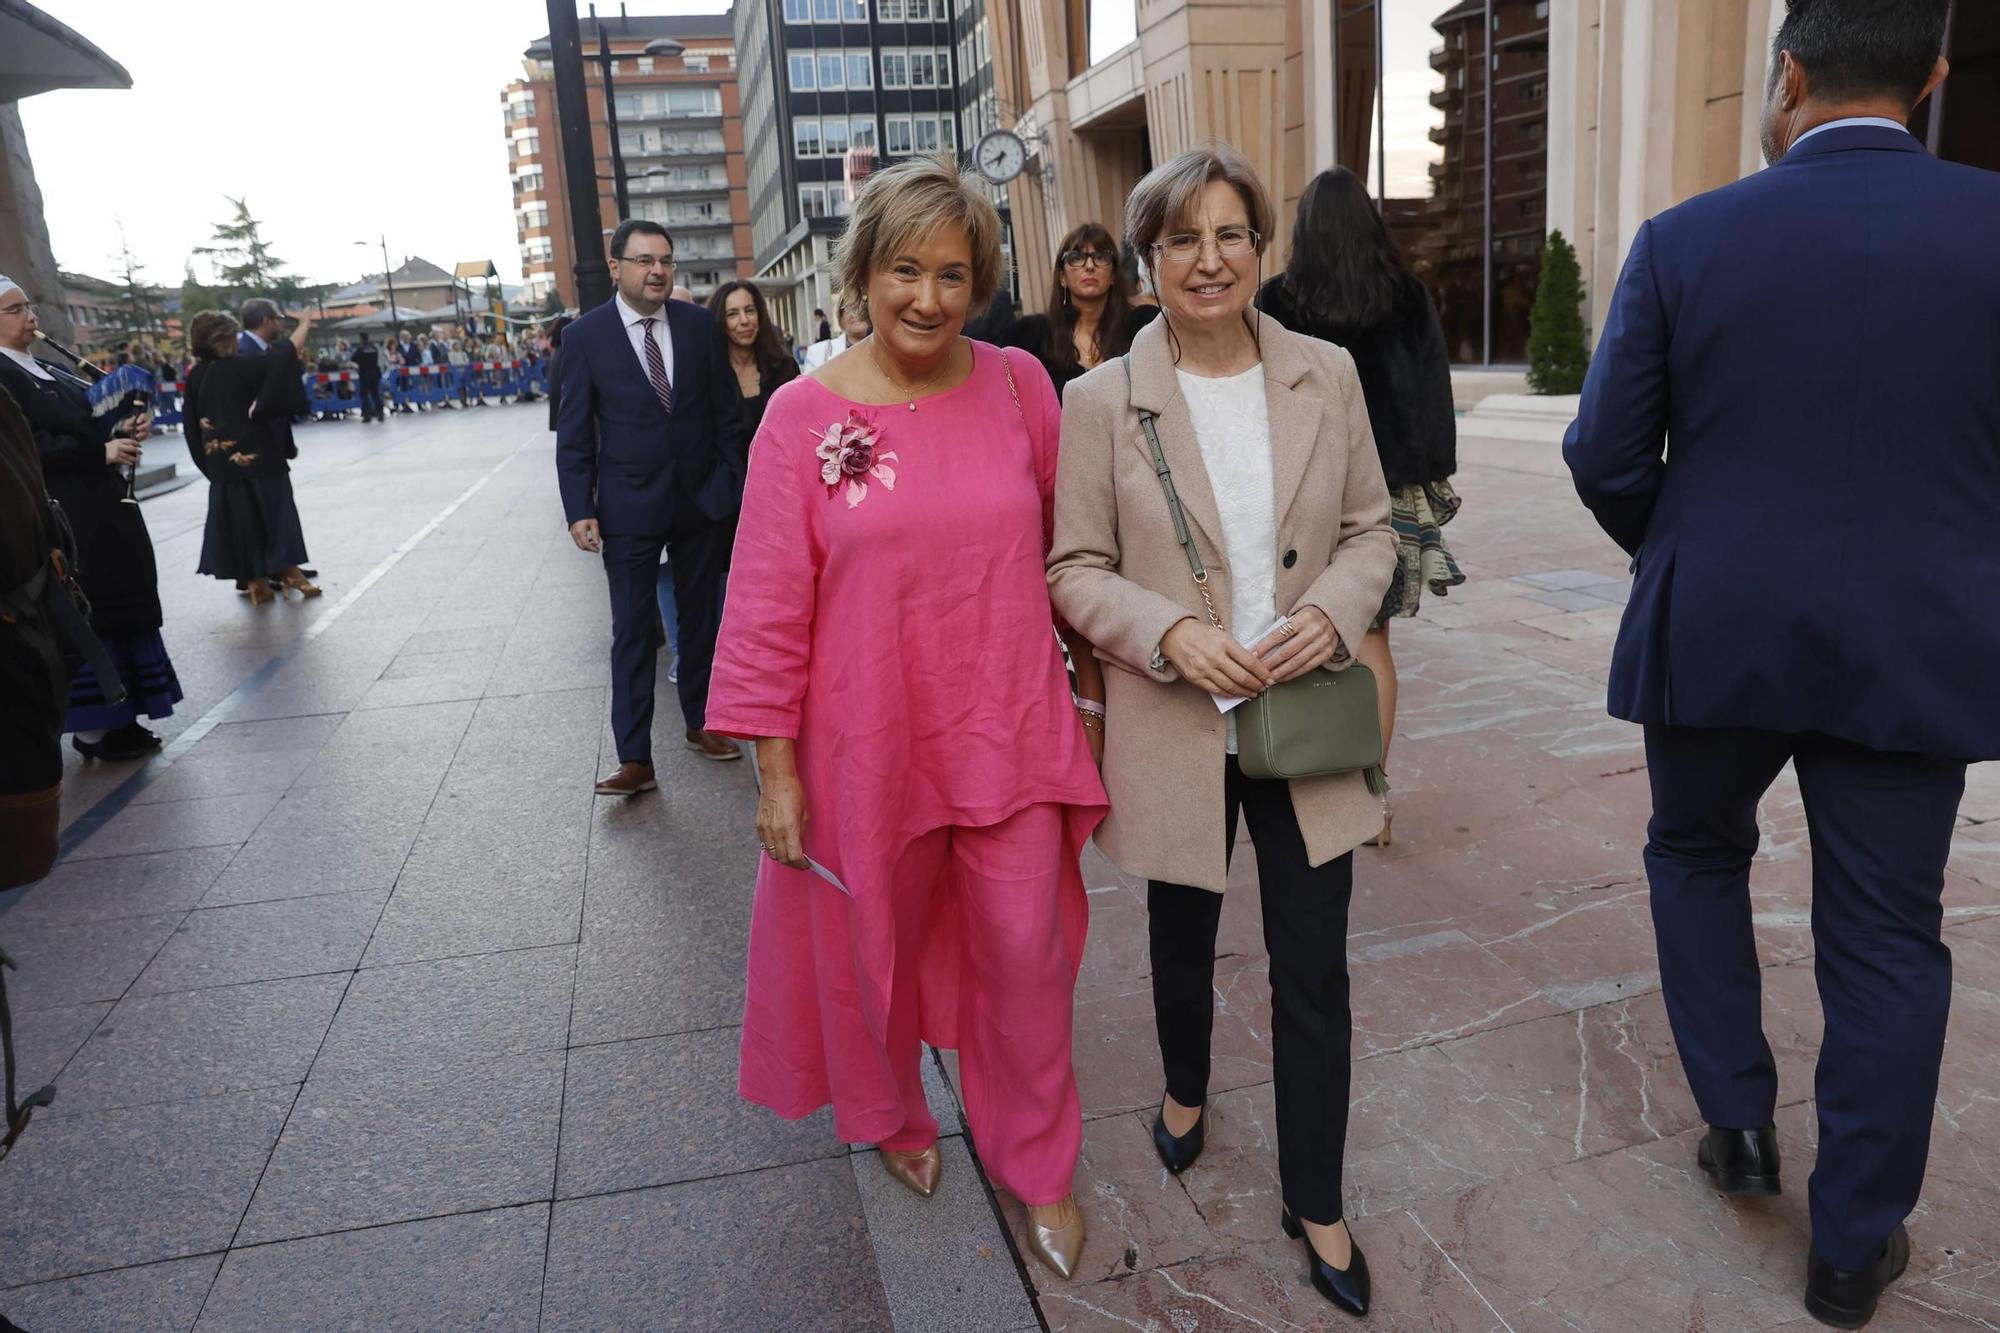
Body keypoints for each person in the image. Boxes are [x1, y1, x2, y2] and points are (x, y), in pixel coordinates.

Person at [1563, 5, 1989, 1327]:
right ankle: (1854, 1246)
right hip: (1917, 642)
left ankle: (1738, 1124)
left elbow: (1603, 453)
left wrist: (1694, 550)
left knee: (1695, 855)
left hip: (1717, 632)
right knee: (1886, 933)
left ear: (1789, 75)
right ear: (1932, 77)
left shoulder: (1686, 239)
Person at [706, 151, 1106, 1280]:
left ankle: (1040, 1161)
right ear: (861, 273)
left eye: (950, 272)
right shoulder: (798, 416)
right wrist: (773, 772)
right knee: (864, 949)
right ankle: (888, 1116)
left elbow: (1067, 555)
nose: (925, 298)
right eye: (902, 271)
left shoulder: (1024, 388)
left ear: (978, 280)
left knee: (1027, 958)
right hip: (861, 745)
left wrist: (1095, 691)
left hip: (1010, 729)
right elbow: (767, 607)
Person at [1047, 144, 1397, 1317]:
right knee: (1179, 935)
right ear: (1146, 259)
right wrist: (1163, 634)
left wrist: (1330, 613)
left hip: (1299, 714)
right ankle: (1186, 1093)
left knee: (1314, 967)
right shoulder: (1097, 400)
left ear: (1261, 248)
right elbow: (1074, 566)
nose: (1210, 259)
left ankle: (1318, 1200)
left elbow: (1371, 530)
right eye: (1183, 238)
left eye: (1232, 234)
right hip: (1179, 717)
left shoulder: (1325, 374)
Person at [1256, 165, 1463, 847]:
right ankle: (1371, 792)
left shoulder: (1278, 302)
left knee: (1298, 623)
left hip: (1300, 488)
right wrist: (1430, 473)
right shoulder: (1406, 296)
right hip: (1390, 487)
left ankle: (1305, 774)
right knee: (1372, 638)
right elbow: (1433, 393)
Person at [555, 219, 747, 795]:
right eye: (643, 260)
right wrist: (578, 506)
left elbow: (728, 415)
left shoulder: (697, 326)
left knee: (702, 622)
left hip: (699, 501)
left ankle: (702, 722)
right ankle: (634, 756)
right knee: (634, 630)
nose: (658, 270)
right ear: (616, 267)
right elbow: (574, 432)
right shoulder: (585, 337)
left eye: (665, 260)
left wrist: (727, 485)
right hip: (628, 505)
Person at [0, 276, 186, 761]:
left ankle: (127, 714)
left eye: (28, 305)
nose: (30, 316)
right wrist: (97, 451)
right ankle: (94, 727)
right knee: (91, 608)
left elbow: (88, 420)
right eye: (15, 309)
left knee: (124, 601)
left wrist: (123, 426)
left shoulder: (44, 366)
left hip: (103, 508)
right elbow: (21, 448)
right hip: (65, 511)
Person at [186, 307, 321, 604]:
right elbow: (285, 353)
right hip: (261, 458)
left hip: (222, 464)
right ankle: (288, 570)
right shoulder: (243, 367)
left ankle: (255, 581)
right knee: (276, 516)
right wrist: (306, 323)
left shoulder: (195, 376)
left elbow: (190, 427)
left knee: (241, 524)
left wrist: (210, 466)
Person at [999, 221, 1158, 399]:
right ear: (1062, 277)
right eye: (1076, 258)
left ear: (1113, 275)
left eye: (1100, 257)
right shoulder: (1031, 336)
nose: (1089, 266)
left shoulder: (1140, 327)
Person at [801, 294, 869, 370]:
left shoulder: (883, 352)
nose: (856, 313)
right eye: (849, 308)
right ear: (840, 318)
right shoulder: (819, 353)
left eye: (862, 307)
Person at [353, 331, 384, 422]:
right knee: (376, 394)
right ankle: (380, 414)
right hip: (375, 373)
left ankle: (367, 415)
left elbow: (353, 359)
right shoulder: (374, 348)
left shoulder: (360, 349)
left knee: (364, 395)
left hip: (364, 374)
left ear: (360, 338)